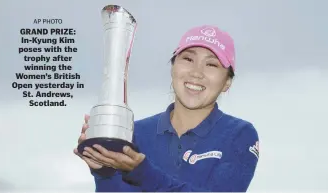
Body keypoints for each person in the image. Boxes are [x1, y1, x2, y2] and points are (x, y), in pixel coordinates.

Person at [74, 25, 260, 192]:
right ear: (173, 68)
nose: (196, 72)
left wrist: (143, 173)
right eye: (188, 59)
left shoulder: (239, 135)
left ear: (227, 82)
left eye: (211, 64)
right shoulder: (134, 132)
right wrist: (104, 171)